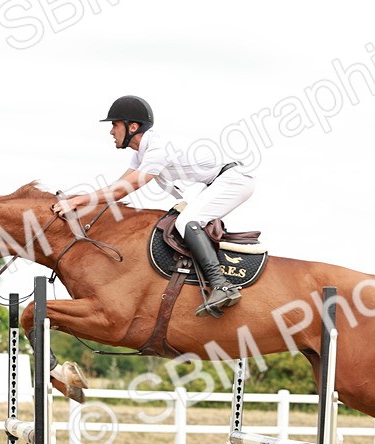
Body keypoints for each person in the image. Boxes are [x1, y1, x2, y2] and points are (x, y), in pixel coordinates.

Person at [52, 95, 254, 316]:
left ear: (133, 127)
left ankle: (221, 285)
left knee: (187, 221)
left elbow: (122, 191)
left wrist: (77, 201)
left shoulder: (157, 150)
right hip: (215, 182)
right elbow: (117, 187)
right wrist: (81, 205)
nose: (111, 131)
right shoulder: (142, 154)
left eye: (114, 124)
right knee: (178, 219)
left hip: (233, 180)